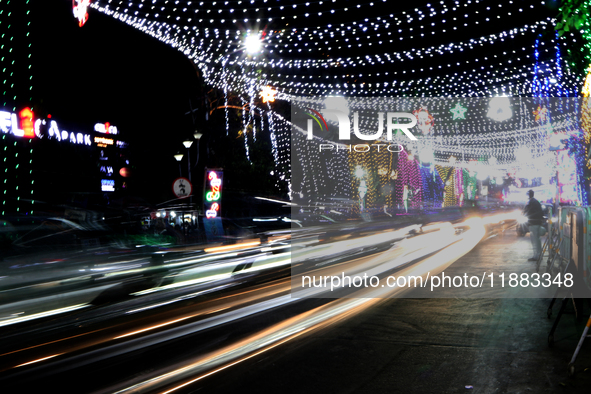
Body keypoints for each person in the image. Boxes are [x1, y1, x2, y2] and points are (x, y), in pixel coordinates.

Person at [522, 190, 544, 261]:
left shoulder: (531, 202)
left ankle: (536, 256)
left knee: (534, 241)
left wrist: (525, 213)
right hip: (536, 223)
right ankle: (539, 255)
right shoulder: (536, 202)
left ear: (529, 195)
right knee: (537, 240)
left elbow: (527, 211)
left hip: (533, 223)